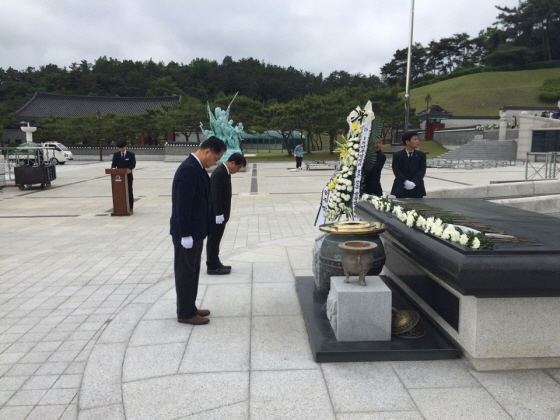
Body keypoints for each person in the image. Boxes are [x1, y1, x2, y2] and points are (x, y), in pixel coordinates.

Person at [170, 137, 226, 325]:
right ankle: (185, 313)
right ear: (208, 151)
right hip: (187, 233)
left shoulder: (198, 169)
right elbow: (182, 206)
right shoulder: (188, 170)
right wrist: (185, 234)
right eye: (216, 158)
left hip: (196, 231)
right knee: (185, 272)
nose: (215, 162)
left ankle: (190, 307)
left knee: (193, 271)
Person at [206, 153, 247, 275]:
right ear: (232, 163)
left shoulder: (225, 172)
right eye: (238, 167)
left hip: (220, 214)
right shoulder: (219, 173)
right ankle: (212, 266)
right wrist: (218, 213)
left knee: (216, 240)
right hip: (215, 215)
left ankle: (215, 261)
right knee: (213, 240)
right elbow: (215, 195)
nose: (237, 170)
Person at [390, 131, 427, 199]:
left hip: (417, 188)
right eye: (414, 139)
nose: (417, 141)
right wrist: (405, 182)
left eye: (417, 139)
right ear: (407, 142)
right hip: (401, 188)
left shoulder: (421, 155)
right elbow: (396, 170)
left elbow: (422, 170)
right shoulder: (397, 155)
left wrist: (414, 182)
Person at [111, 140, 136, 212]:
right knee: (118, 191)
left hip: (128, 176)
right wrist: (113, 169)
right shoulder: (116, 155)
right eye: (119, 148)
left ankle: (130, 207)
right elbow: (114, 164)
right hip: (118, 177)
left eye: (122, 148)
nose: (121, 150)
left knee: (129, 190)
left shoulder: (131, 154)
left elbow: (133, 165)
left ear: (125, 147)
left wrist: (127, 170)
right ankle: (119, 206)